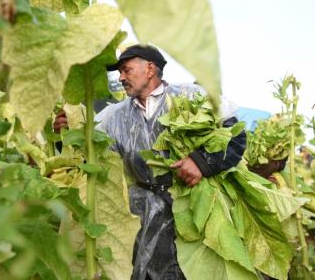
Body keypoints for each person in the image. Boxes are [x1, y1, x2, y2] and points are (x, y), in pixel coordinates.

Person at [55, 44, 246, 280]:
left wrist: (201, 162)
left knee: (188, 270)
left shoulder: (189, 97)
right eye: (119, 73)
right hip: (140, 211)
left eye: (126, 70)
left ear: (150, 68)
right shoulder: (114, 116)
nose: (121, 77)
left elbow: (235, 136)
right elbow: (92, 154)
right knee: (142, 270)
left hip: (189, 207)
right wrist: (68, 130)